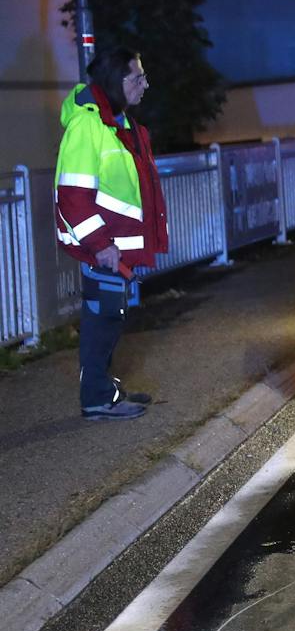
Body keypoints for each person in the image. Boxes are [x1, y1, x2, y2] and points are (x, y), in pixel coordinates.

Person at [54, 47, 168, 421]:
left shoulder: (116, 123)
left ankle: (105, 390)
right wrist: (101, 246)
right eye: (137, 78)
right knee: (102, 320)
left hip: (114, 248)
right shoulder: (88, 126)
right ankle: (98, 400)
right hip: (103, 249)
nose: (145, 84)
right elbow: (72, 198)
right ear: (114, 82)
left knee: (109, 318)